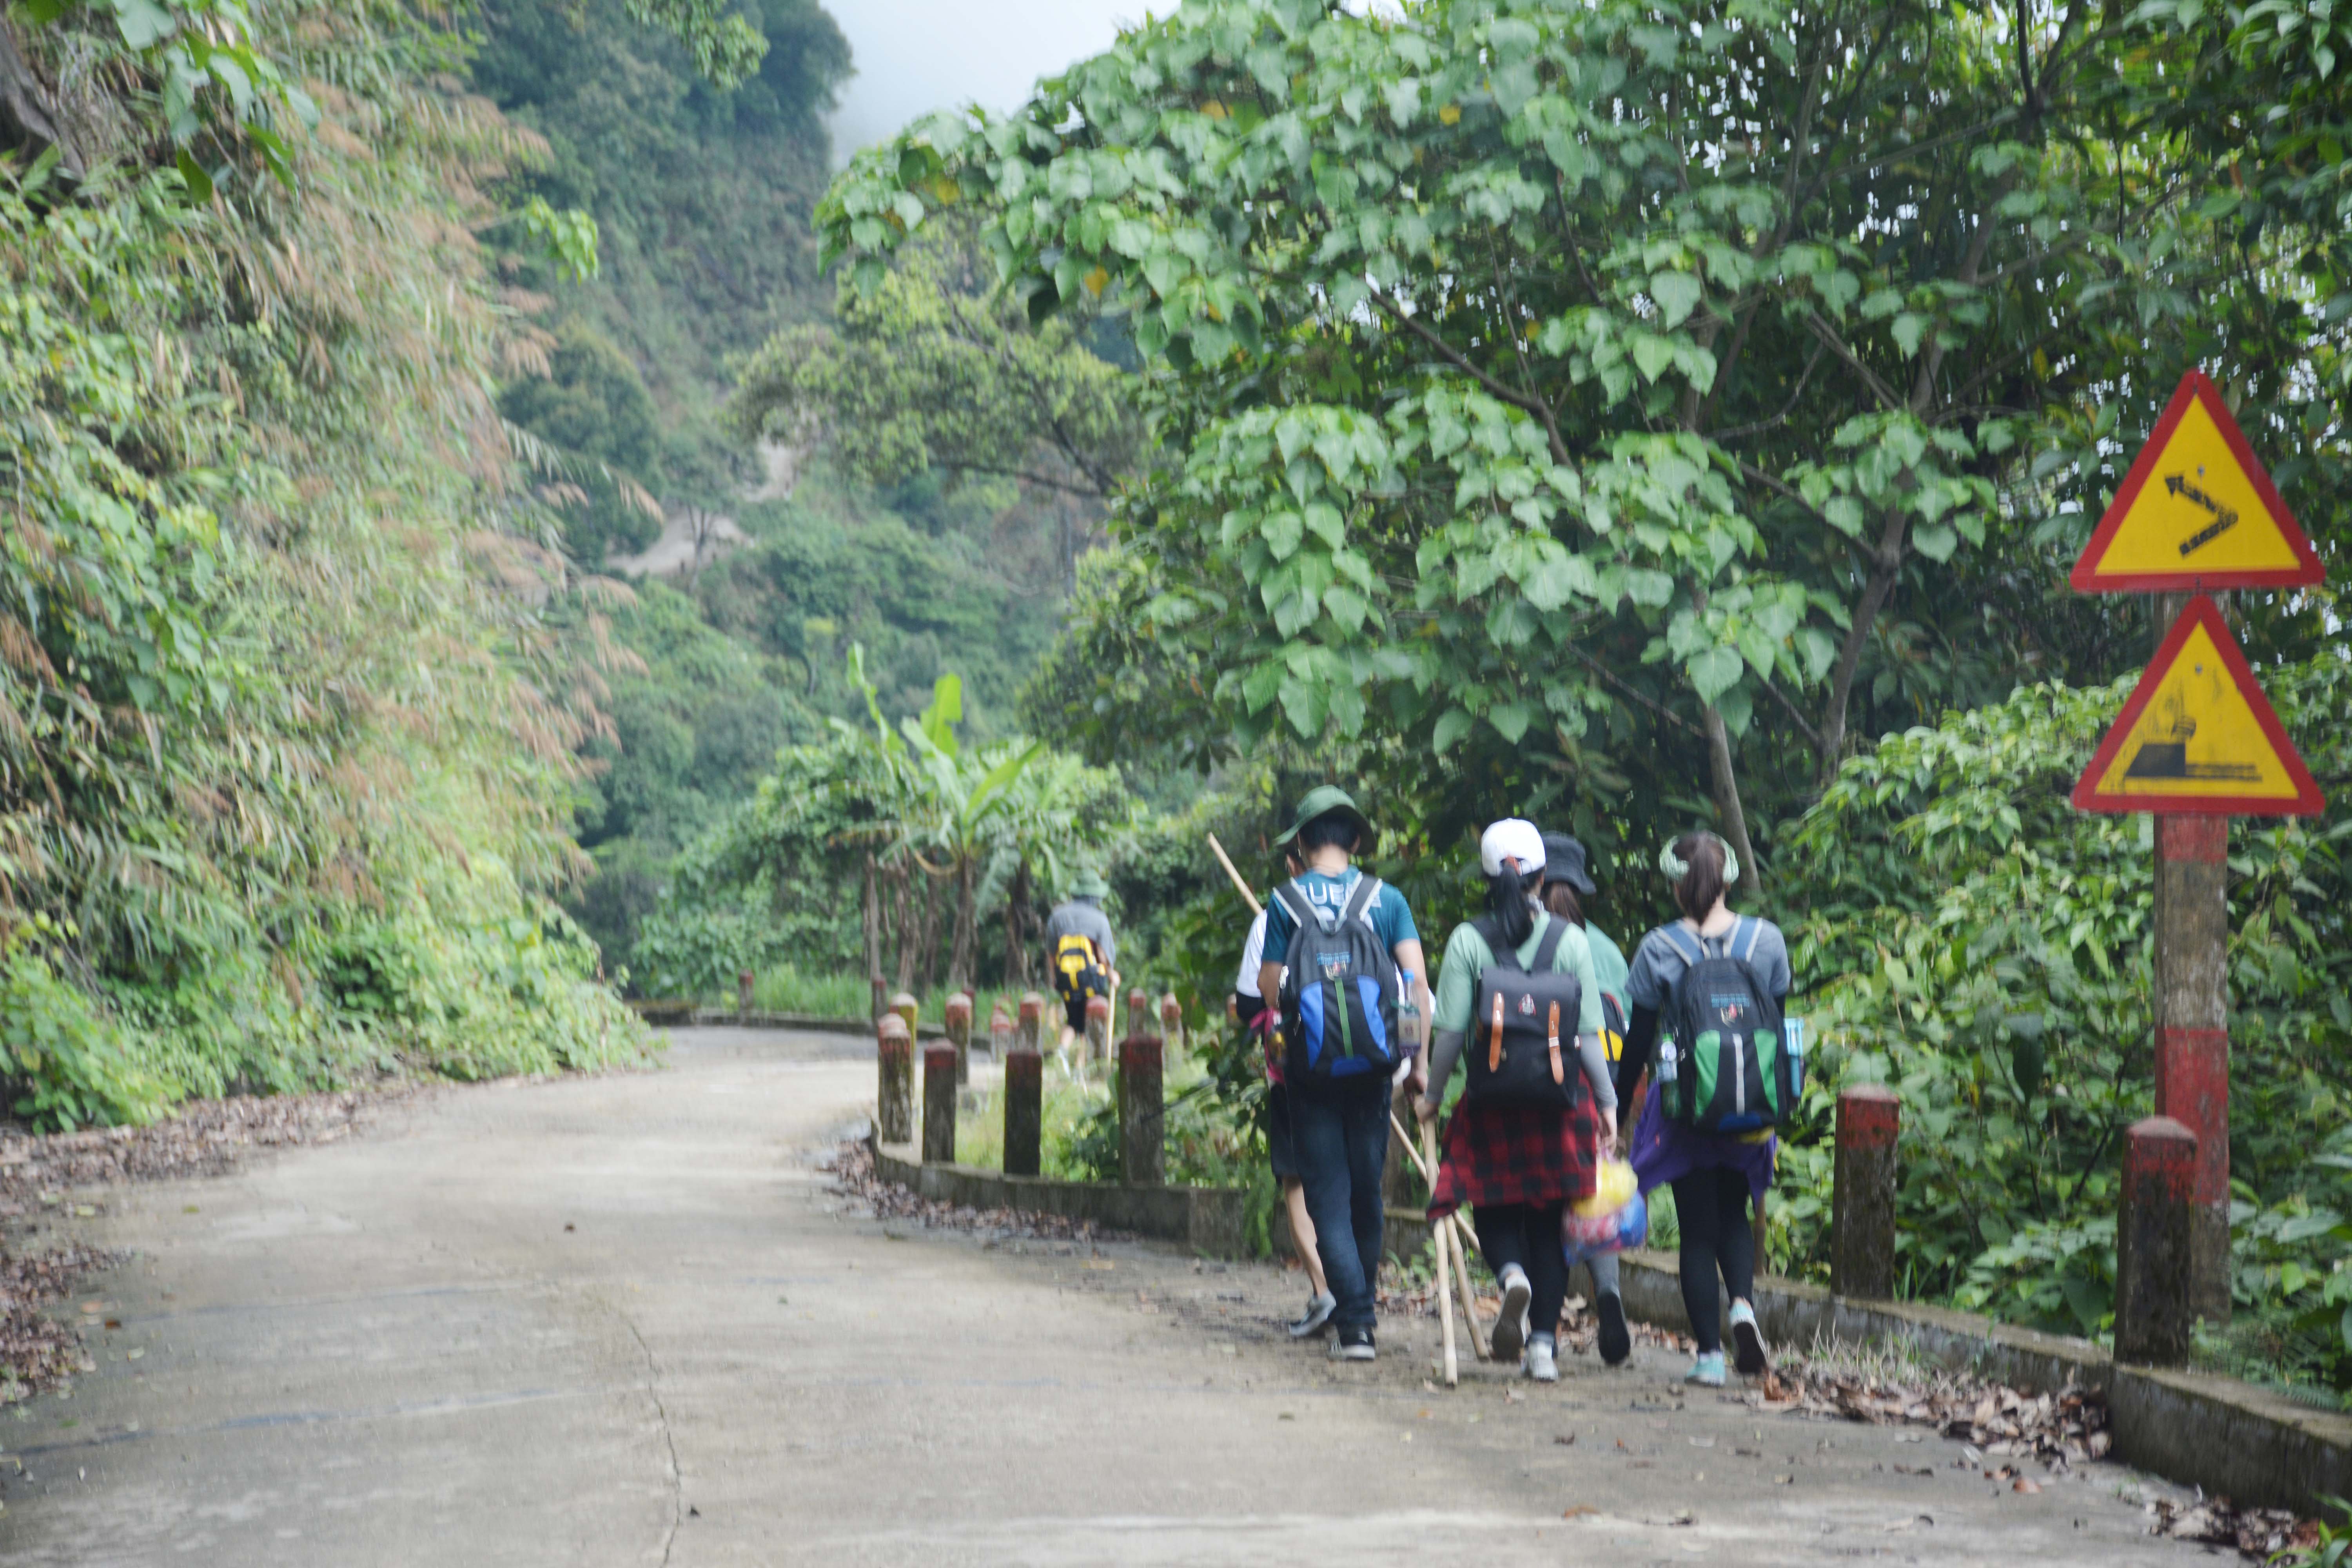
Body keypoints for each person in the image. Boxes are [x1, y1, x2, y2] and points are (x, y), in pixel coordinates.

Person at [1414, 820, 1615, 1383]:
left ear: (1485, 877)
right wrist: (1608, 1105)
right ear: (1542, 876)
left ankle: (1510, 1277)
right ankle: (1545, 1349)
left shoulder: (1468, 941)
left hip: (1492, 1102)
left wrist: (1433, 1097)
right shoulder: (1571, 942)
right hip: (1561, 1103)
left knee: (1494, 1207)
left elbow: (1452, 1033)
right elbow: (1590, 1037)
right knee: (1549, 1225)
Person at [1256, 786, 1430, 1363]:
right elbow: (1416, 986)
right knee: (1366, 1196)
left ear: (1303, 844)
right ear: (1355, 841)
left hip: (1310, 1075)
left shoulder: (1285, 903)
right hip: (1374, 1073)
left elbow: (1270, 991)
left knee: (1327, 1198)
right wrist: (1415, 1061)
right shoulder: (1388, 900)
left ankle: (1355, 1327)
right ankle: (1363, 1314)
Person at [1617, 830, 1791, 1387]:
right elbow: (1777, 1028)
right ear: (1730, 879)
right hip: (1749, 1107)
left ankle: (1710, 1358)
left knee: (1697, 1230)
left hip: (1685, 1106)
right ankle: (1742, 1305)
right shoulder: (1766, 942)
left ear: (1676, 884)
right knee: (1735, 1215)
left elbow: (1638, 1040)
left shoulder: (1658, 949)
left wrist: (1617, 1113)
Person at [1538, 829, 1634, 1367]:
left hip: (1537, 1089)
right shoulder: (1606, 950)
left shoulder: (1528, 938)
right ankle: (1610, 1292)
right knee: (1595, 1200)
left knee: (1545, 1206)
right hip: (1598, 1091)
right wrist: (1612, 1103)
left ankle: (1542, 1329)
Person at [1231, 844, 1334, 1338]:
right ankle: (1350, 1293)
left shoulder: (1275, 911)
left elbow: (1250, 1001)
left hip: (1293, 1069)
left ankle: (1326, 1290)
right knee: (1350, 1178)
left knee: (1297, 1180)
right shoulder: (1378, 904)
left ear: (1297, 862)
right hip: (1361, 1068)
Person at [1044, 869, 1119, 1059]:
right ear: (1095, 896)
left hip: (1065, 978)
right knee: (1089, 1021)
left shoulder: (1057, 917)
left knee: (1074, 1020)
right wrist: (1112, 974)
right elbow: (1103, 956)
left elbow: (1051, 954)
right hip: (1091, 979)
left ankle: (1062, 1052)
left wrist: (1053, 978)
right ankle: (1080, 1067)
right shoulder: (1100, 920)